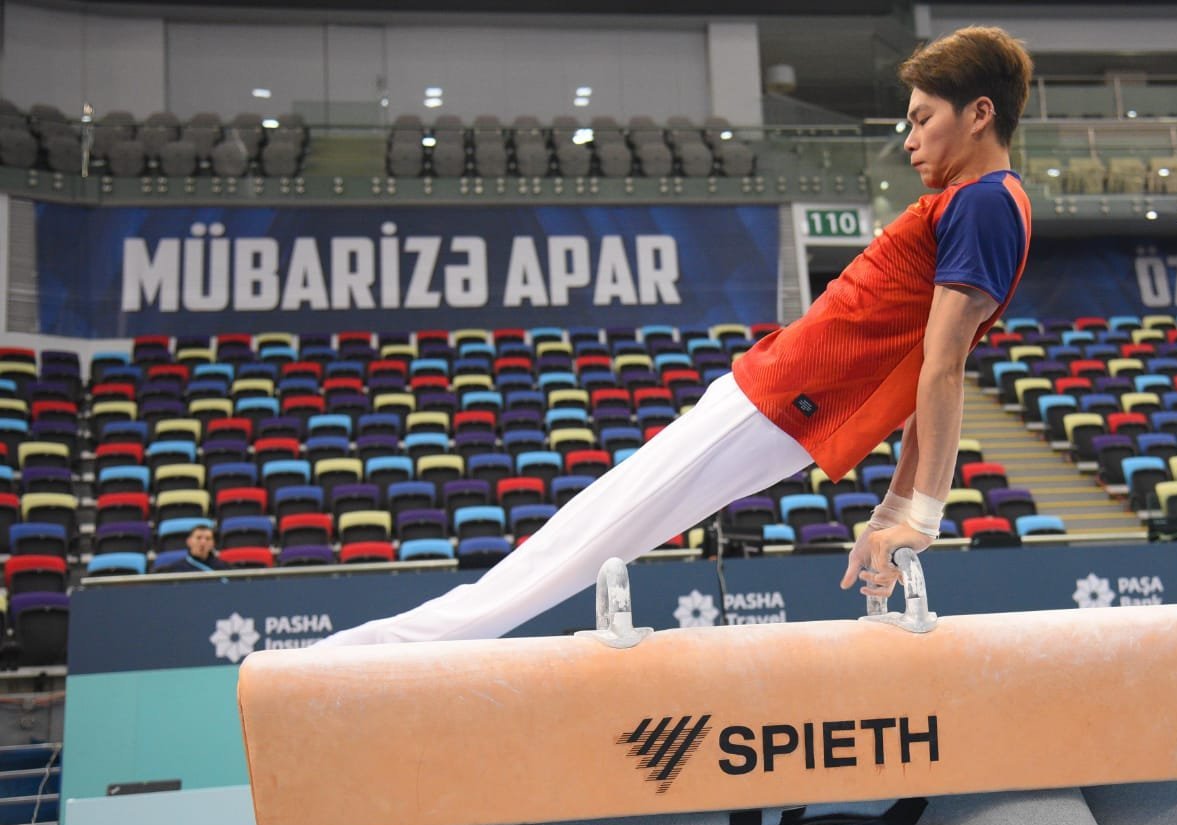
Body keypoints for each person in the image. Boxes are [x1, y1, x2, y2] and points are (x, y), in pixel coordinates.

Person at [319, 25, 1034, 647]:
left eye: (922, 118)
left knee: (586, 540)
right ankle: (388, 645)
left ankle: (377, 651)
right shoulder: (981, 204)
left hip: (786, 397)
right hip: (779, 391)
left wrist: (922, 516)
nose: (908, 139)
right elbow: (929, 372)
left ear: (980, 113)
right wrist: (893, 512)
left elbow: (941, 369)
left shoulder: (982, 205)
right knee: (584, 534)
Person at [156, 524, 230, 574]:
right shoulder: (177, 569)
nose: (203, 542)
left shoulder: (224, 568)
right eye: (198, 538)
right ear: (189, 541)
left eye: (208, 539)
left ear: (213, 544)